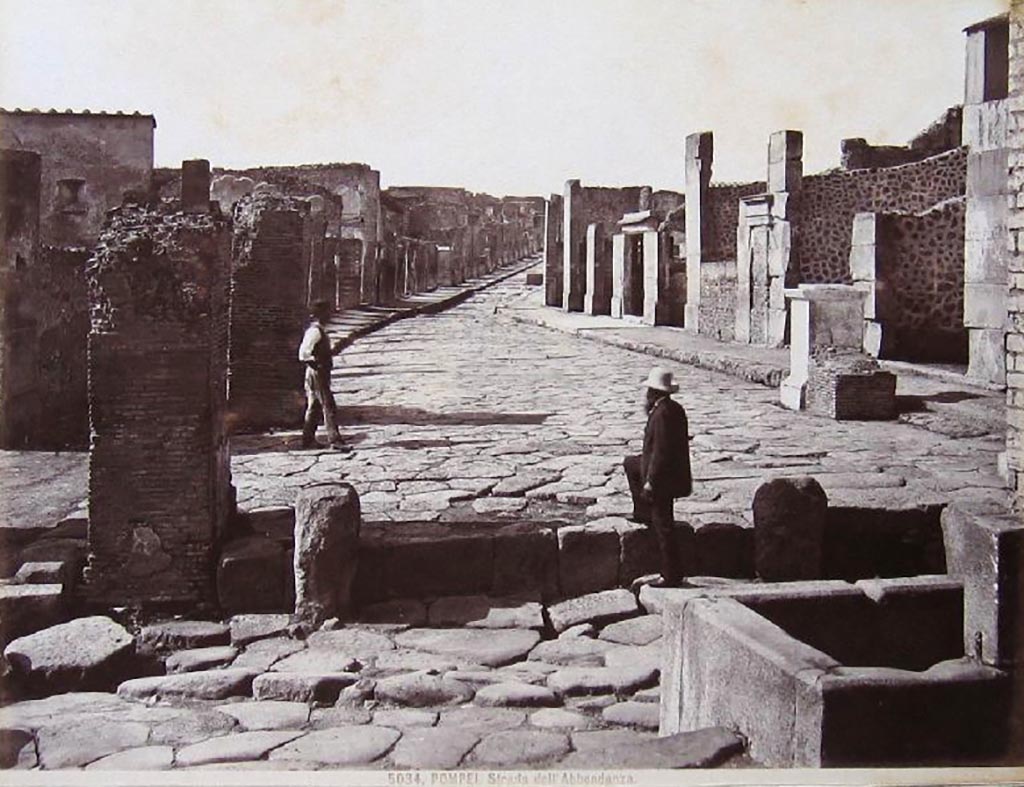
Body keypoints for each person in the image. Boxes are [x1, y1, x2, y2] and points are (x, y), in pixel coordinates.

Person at [624, 366, 692, 587]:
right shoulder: (672, 409)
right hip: (666, 471)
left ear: (654, 392)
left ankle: (671, 574)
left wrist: (651, 482)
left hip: (663, 478)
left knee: (664, 526)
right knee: (630, 463)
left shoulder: (662, 414)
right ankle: (642, 511)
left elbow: (661, 452)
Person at [298, 300, 350, 451]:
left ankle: (307, 441)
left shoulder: (320, 330)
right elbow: (303, 354)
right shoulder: (314, 331)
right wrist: (318, 363)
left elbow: (321, 352)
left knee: (314, 407)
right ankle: (335, 441)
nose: (329, 315)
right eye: (326, 312)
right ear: (318, 314)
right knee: (329, 406)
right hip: (316, 373)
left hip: (318, 373)